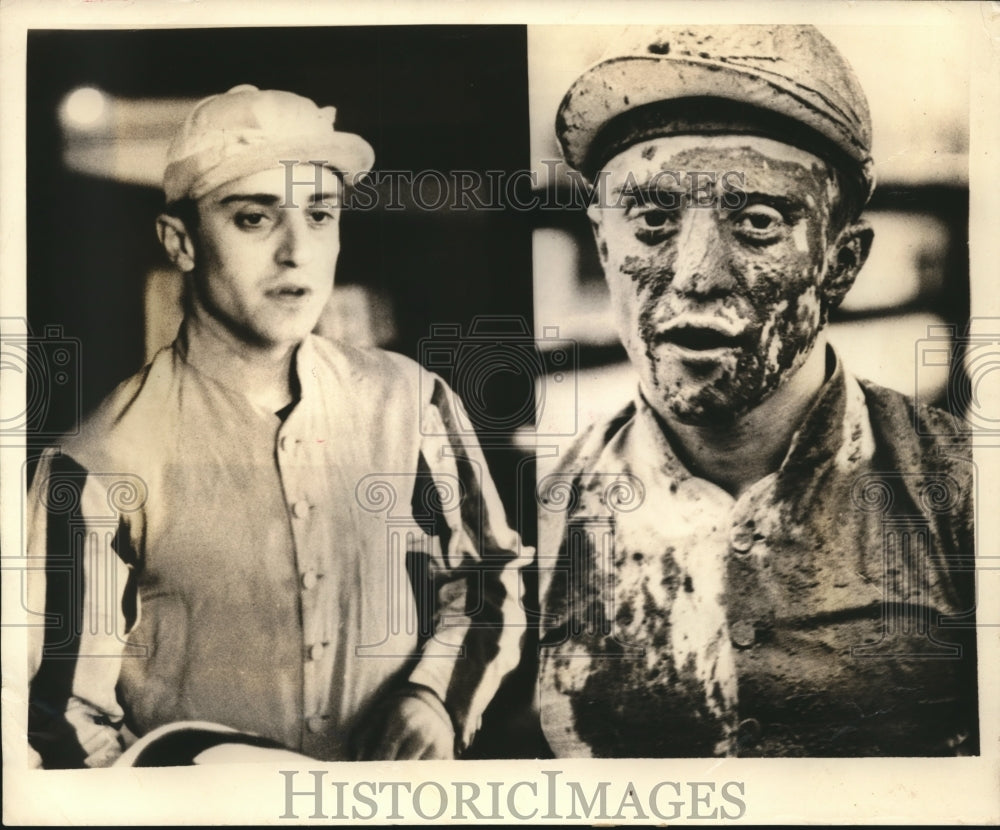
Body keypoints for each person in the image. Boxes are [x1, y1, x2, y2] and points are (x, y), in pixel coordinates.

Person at [26, 85, 528, 767]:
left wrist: (435, 698)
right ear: (180, 242)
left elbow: (487, 579)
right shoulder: (99, 460)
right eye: (256, 219)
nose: (298, 252)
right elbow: (63, 716)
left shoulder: (411, 401)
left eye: (320, 215)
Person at [536, 25, 977, 757]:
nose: (696, 275)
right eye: (652, 222)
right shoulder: (540, 527)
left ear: (840, 264)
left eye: (758, 223)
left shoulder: (966, 494)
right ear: (603, 246)